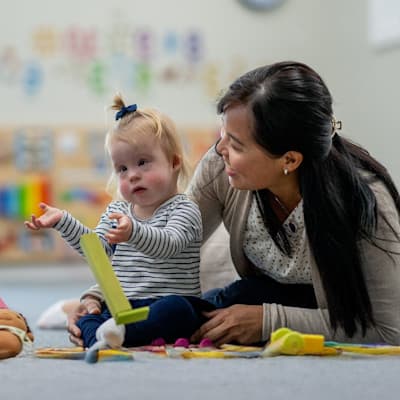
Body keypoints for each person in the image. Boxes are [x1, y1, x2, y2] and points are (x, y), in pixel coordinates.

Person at [68, 61, 400, 347]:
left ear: (290, 159)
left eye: (236, 143)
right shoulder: (219, 165)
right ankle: (98, 324)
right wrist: (100, 296)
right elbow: (167, 246)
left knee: (211, 309)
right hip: (249, 288)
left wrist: (270, 321)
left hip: (331, 307)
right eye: (222, 134)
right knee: (186, 312)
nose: (220, 149)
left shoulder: (368, 204)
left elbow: (390, 329)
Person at [25, 95, 213, 354]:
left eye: (143, 162)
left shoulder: (184, 208)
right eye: (122, 168)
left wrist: (133, 232)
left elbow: (169, 244)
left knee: (178, 310)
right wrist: (63, 221)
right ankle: (103, 337)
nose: (133, 174)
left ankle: (118, 334)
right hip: (122, 307)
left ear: (173, 162)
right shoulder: (117, 210)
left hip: (165, 304)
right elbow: (98, 251)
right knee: (86, 316)